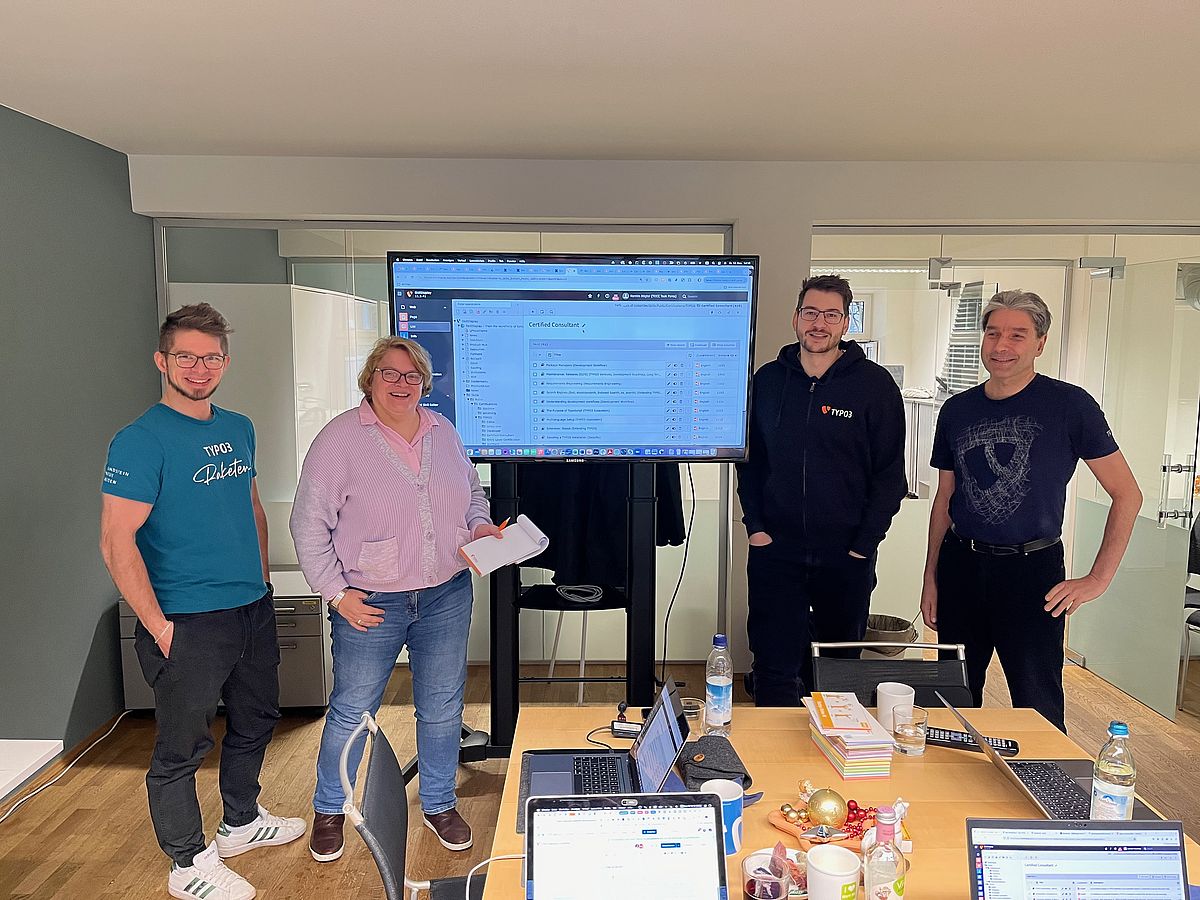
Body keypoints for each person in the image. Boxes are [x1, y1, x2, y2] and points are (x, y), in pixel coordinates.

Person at [100, 303, 305, 900]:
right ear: (162, 360)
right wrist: (160, 627)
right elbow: (117, 544)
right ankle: (187, 865)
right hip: (187, 618)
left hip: (250, 608)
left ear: (225, 362)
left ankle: (240, 822)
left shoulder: (237, 427)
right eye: (185, 356)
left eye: (210, 357)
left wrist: (261, 583)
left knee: (258, 717)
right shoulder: (139, 441)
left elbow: (251, 508)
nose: (198, 367)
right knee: (181, 746)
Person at [291, 336, 501, 863]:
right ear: (370, 378)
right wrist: (336, 595)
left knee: (442, 707)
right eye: (390, 373)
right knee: (352, 711)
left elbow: (472, 494)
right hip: (370, 603)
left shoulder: (443, 431)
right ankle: (330, 809)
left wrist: (479, 526)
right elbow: (307, 524)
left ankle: (438, 803)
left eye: (412, 376)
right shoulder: (339, 440)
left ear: (424, 383)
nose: (401, 383)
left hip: (445, 595)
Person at [920, 290, 1141, 732]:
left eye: (1017, 335)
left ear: (1040, 343)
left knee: (1036, 701)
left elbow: (1127, 494)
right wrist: (931, 576)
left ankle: (1047, 794)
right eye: (993, 333)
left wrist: (1098, 579)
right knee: (952, 699)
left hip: (1033, 572)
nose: (1002, 346)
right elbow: (945, 499)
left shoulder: (1070, 406)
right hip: (961, 565)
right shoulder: (956, 410)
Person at [737, 274, 907, 706]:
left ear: (845, 324)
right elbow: (750, 464)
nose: (819, 323)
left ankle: (832, 764)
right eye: (811, 313)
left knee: (836, 673)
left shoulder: (874, 385)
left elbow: (890, 476)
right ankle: (774, 767)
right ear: (796, 318)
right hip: (776, 552)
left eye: (831, 315)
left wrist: (863, 544)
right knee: (774, 668)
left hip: (845, 556)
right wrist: (755, 527)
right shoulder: (768, 381)